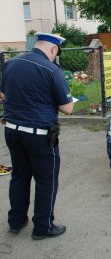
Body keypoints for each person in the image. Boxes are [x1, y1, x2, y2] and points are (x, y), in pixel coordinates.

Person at [0, 32, 74, 240]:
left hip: (12, 131)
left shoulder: (11, 63)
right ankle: (43, 226)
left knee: (19, 176)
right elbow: (67, 108)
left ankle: (16, 221)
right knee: (46, 181)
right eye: (56, 52)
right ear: (52, 49)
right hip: (39, 136)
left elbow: (3, 94)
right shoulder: (51, 69)